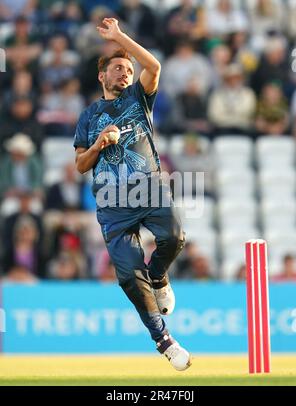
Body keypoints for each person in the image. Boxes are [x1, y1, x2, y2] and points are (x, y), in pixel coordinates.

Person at [73, 17, 190, 371]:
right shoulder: (89, 115)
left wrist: (120, 37)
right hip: (111, 202)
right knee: (127, 276)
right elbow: (80, 164)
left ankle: (159, 277)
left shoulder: (139, 98)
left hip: (149, 188)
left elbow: (153, 65)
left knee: (173, 237)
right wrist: (98, 143)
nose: (125, 73)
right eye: (118, 68)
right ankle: (164, 341)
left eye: (128, 68)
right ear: (102, 76)